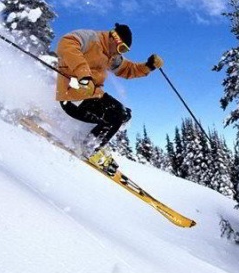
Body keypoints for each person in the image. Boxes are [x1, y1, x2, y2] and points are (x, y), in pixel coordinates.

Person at [55, 23, 163, 175]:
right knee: (115, 115)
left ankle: (88, 139)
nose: (120, 53)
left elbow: (128, 69)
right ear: (114, 37)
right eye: (122, 48)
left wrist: (148, 66)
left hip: (92, 94)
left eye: (124, 50)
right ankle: (88, 147)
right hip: (73, 94)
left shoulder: (111, 56)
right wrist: (83, 75)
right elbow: (66, 44)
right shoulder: (90, 38)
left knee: (125, 114)